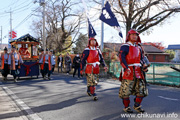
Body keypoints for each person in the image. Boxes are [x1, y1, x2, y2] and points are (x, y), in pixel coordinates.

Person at [119, 29, 148, 113]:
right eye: (133, 35)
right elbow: (122, 58)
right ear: (129, 36)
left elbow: (141, 59)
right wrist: (126, 68)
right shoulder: (125, 46)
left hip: (139, 71)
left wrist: (144, 65)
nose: (135, 36)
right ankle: (126, 107)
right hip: (129, 71)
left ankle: (137, 105)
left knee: (142, 91)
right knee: (125, 91)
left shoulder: (139, 47)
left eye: (136, 35)